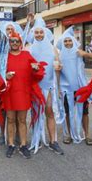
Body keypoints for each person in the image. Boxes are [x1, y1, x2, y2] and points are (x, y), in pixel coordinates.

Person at [0, 30, 46, 159]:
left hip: (23, 92)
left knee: (22, 120)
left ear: (20, 43)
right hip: (10, 93)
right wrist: (5, 77)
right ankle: (11, 144)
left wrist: (36, 69)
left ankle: (23, 145)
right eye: (11, 41)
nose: (14, 43)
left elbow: (38, 70)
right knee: (11, 119)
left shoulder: (26, 55)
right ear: (9, 42)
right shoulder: (4, 56)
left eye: (16, 41)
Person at [28, 17, 65, 155]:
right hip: (34, 87)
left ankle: (53, 141)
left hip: (49, 86)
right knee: (36, 113)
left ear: (45, 32)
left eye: (41, 32)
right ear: (33, 33)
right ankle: (36, 139)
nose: (39, 34)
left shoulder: (53, 49)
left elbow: (58, 67)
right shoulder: (29, 48)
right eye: (36, 32)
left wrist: (59, 84)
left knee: (49, 112)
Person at [56, 26, 92, 145]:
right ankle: (68, 135)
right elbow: (58, 74)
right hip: (66, 89)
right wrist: (58, 88)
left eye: (69, 40)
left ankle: (87, 135)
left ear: (73, 41)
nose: (68, 43)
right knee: (67, 112)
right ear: (62, 43)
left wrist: (85, 54)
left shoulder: (78, 52)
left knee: (85, 112)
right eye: (65, 41)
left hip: (80, 88)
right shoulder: (59, 56)